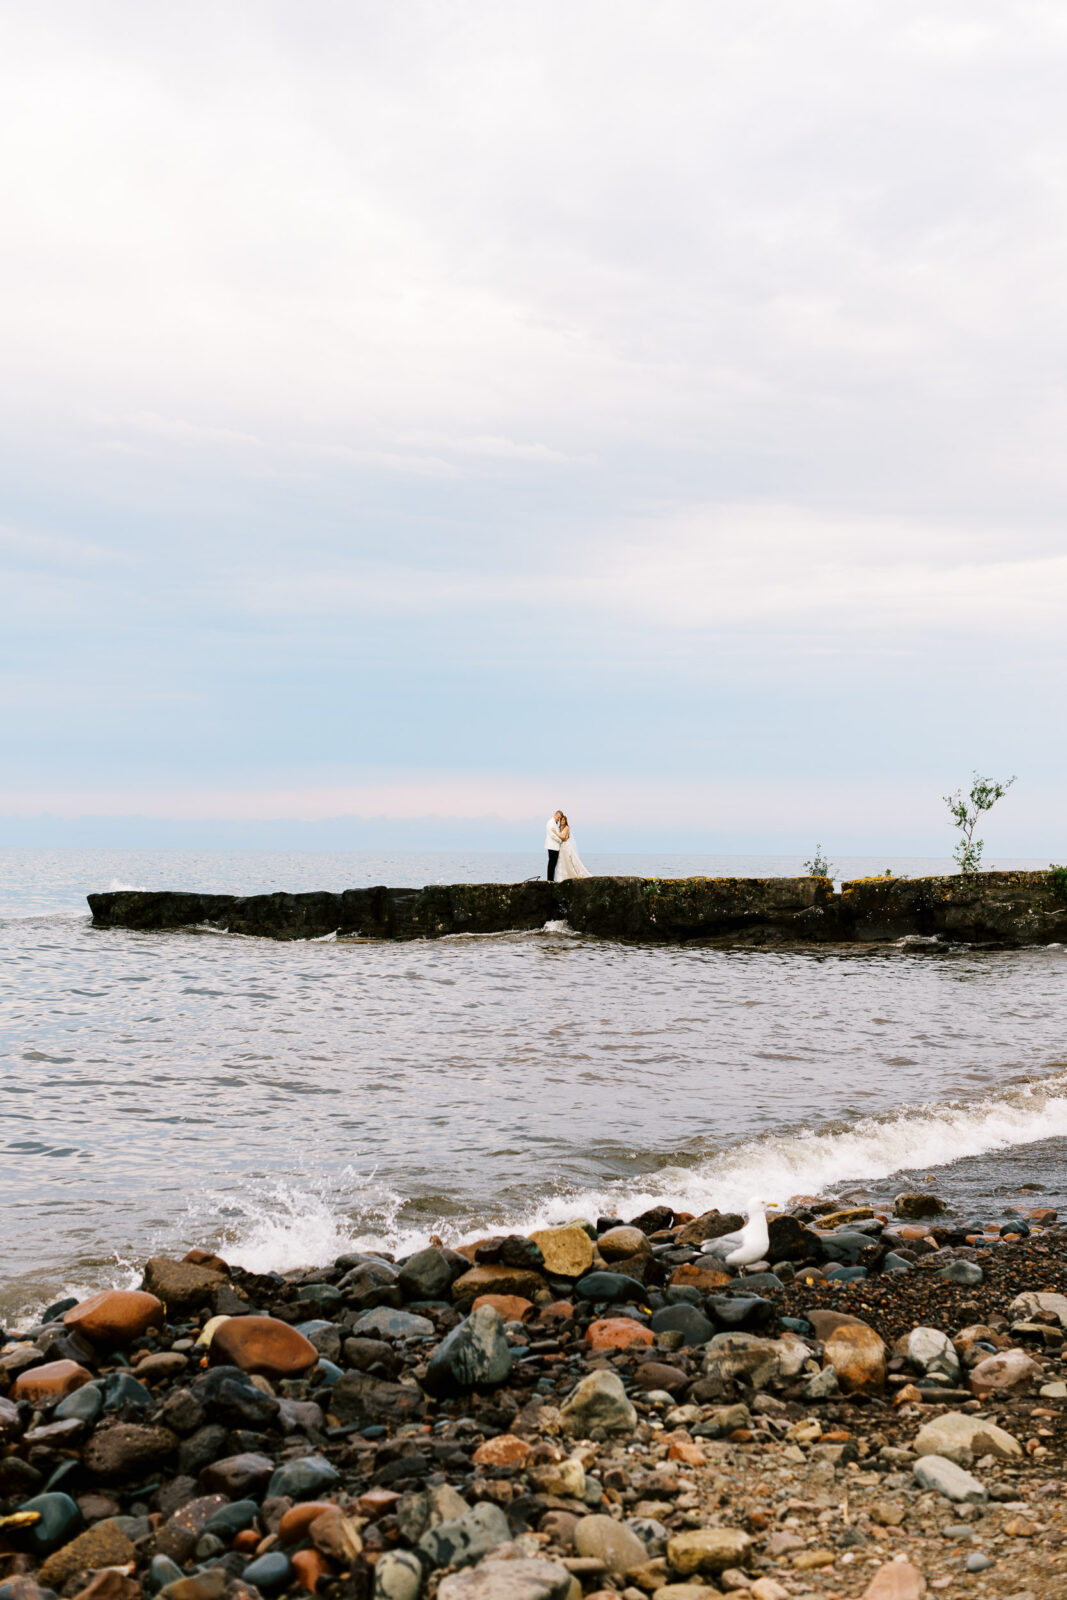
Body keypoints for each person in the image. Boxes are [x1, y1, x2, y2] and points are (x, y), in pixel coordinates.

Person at [553, 812, 592, 880]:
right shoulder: (560, 828)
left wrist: (556, 833)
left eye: (564, 820)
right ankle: (561, 877)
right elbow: (561, 838)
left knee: (568, 861)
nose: (562, 821)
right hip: (561, 847)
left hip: (566, 846)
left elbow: (563, 837)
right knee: (561, 861)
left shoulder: (567, 828)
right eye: (561, 820)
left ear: (565, 821)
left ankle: (571, 875)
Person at [545, 811, 564, 881]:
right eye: (558, 817)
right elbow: (552, 835)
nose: (558, 819)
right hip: (552, 846)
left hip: (555, 847)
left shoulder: (555, 823)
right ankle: (550, 880)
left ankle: (551, 879)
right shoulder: (550, 822)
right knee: (551, 864)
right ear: (555, 815)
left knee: (553, 864)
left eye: (560, 818)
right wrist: (560, 840)